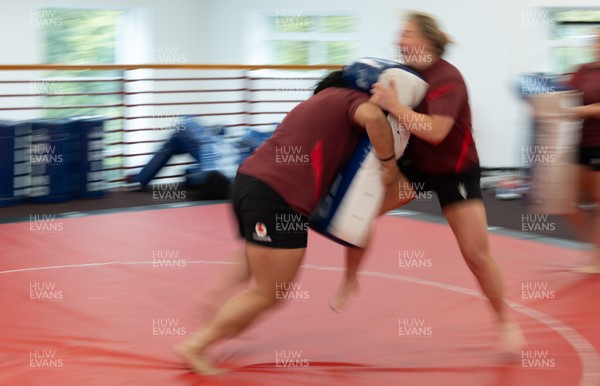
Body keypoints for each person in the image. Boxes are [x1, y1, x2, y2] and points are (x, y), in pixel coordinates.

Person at [175, 70, 400, 374]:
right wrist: (389, 164)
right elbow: (373, 117)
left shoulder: (313, 106)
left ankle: (215, 300)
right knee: (269, 293)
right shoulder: (350, 98)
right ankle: (196, 344)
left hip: (248, 182)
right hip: (278, 197)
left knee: (254, 257)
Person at [331, 11, 526, 355]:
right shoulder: (402, 74)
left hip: (455, 172)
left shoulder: (447, 77)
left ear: (426, 40)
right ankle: (350, 279)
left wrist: (392, 103)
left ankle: (506, 322)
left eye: (406, 34)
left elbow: (436, 131)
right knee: (358, 213)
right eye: (399, 34)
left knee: (476, 255)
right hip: (416, 170)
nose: (399, 41)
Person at [565, 30, 600, 273]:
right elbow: (564, 95)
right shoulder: (582, 70)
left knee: (598, 202)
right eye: (595, 40)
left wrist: (579, 112)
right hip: (581, 144)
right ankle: (594, 248)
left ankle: (596, 258)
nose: (596, 44)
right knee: (568, 201)